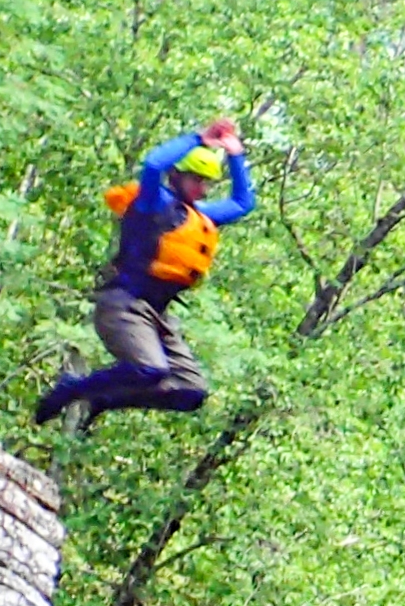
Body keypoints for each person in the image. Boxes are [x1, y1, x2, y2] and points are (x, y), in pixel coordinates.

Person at [30, 118, 248, 430]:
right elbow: (152, 163)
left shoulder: (200, 216)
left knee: (191, 391)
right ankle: (73, 388)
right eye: (197, 180)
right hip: (123, 304)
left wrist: (236, 155)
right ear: (178, 176)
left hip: (157, 314)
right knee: (151, 370)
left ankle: (103, 400)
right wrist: (198, 138)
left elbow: (243, 202)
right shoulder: (152, 202)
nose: (203, 189)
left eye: (207, 183)